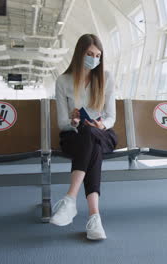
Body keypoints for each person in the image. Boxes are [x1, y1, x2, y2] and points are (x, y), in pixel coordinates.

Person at [51, 33, 117, 241]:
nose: (94, 59)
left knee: (92, 135)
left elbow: (111, 117)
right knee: (90, 142)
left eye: (98, 55)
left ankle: (70, 199)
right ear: (80, 54)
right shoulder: (63, 81)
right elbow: (62, 122)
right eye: (90, 54)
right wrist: (74, 121)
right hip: (75, 135)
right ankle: (94, 218)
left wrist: (101, 124)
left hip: (102, 133)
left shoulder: (106, 78)